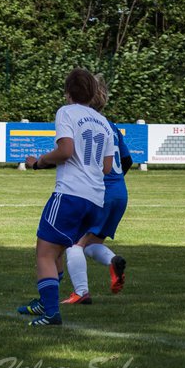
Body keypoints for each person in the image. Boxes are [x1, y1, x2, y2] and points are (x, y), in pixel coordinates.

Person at [20, 68, 115, 327]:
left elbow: (65, 150)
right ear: (94, 92)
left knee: (45, 254)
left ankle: (51, 312)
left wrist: (38, 162)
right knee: (58, 250)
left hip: (71, 195)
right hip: (95, 200)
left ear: (68, 92)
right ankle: (44, 301)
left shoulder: (66, 112)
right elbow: (107, 168)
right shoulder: (103, 122)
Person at [63, 77, 129, 305]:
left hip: (98, 192)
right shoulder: (109, 125)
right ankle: (113, 261)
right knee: (91, 244)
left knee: (72, 242)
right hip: (120, 192)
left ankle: (81, 292)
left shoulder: (81, 121)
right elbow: (127, 160)